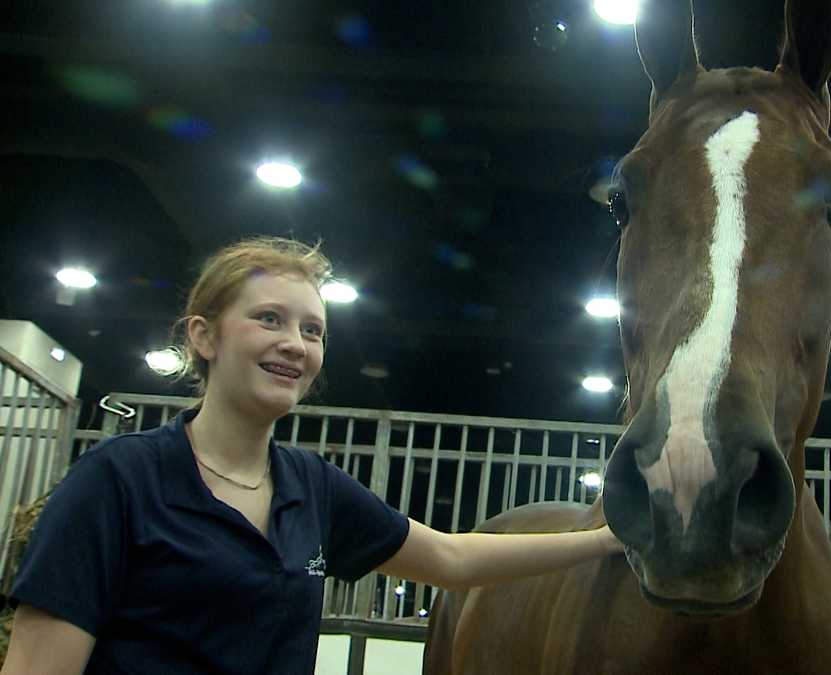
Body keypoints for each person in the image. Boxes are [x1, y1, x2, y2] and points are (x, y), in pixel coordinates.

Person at [2, 237, 624, 675]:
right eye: (269, 319)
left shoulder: (311, 486)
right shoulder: (116, 480)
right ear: (204, 336)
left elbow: (452, 557)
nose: (294, 344)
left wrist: (601, 538)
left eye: (313, 330)